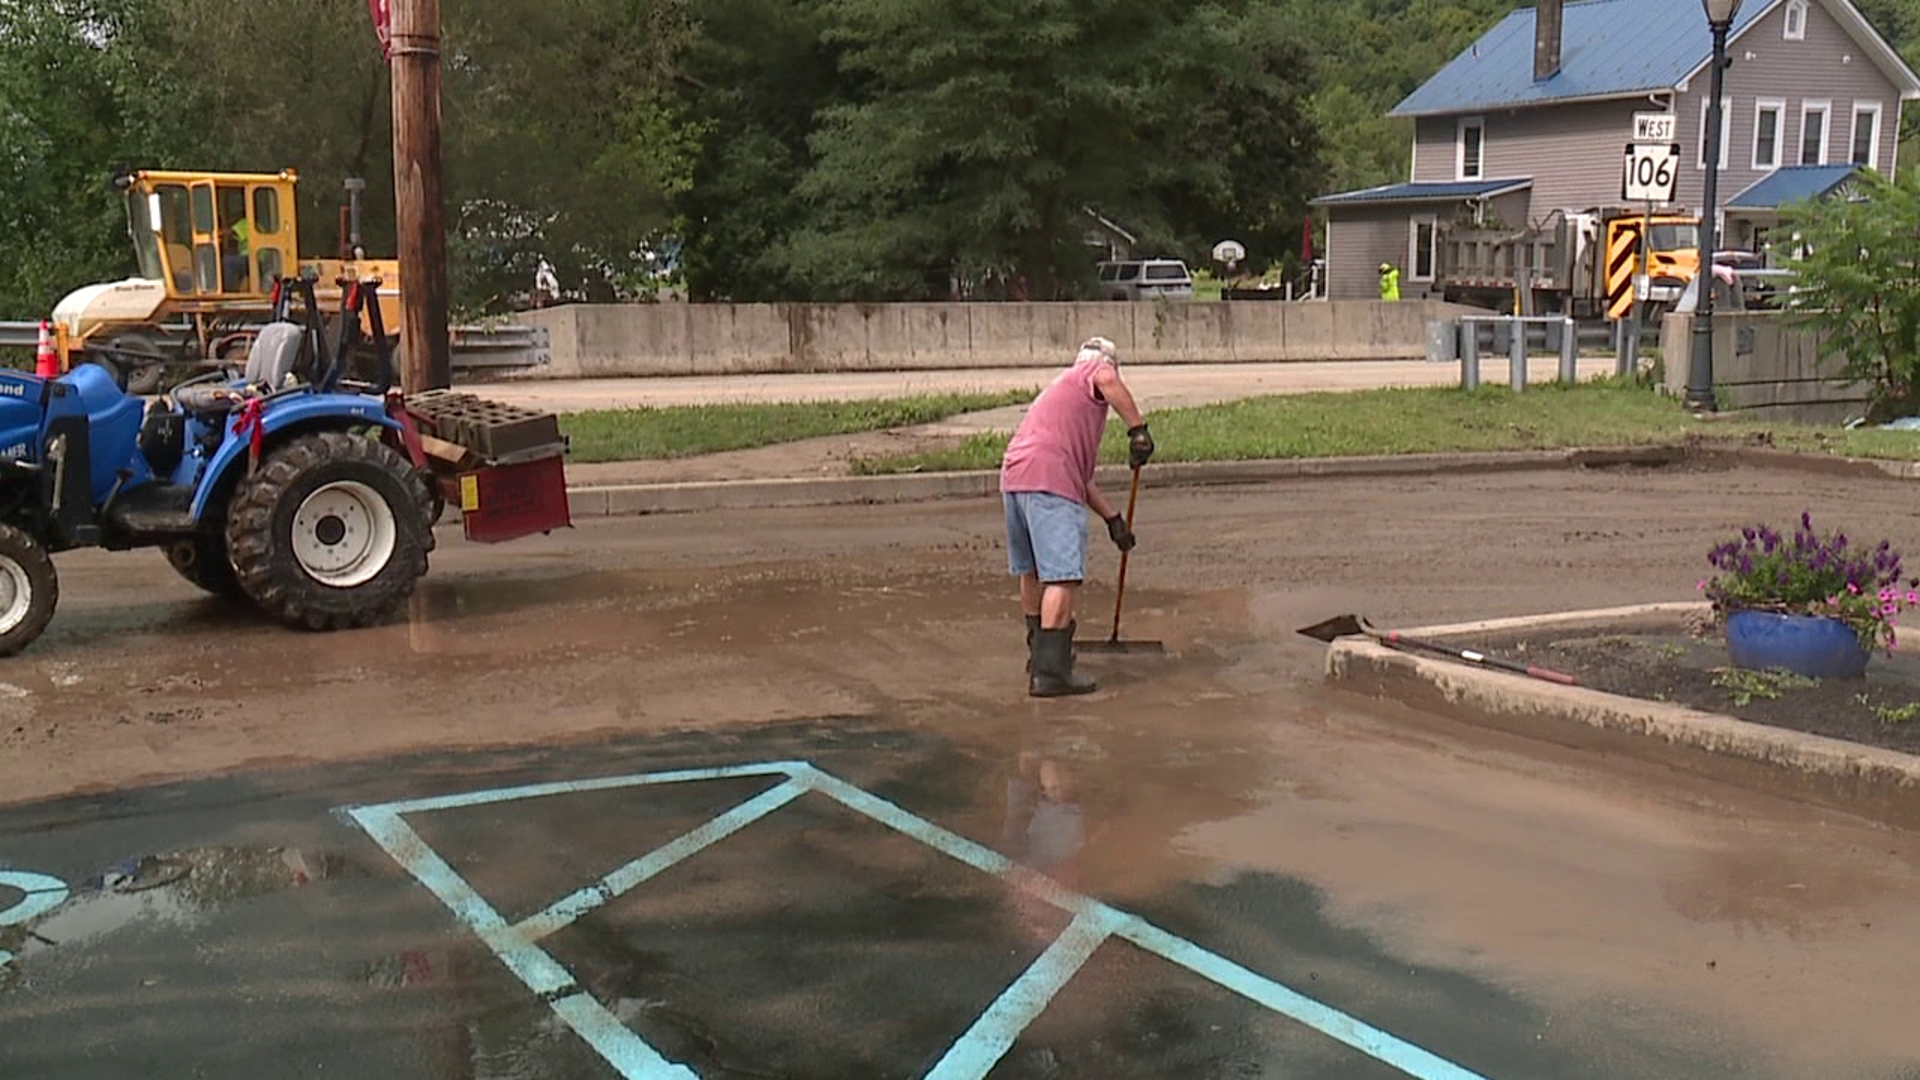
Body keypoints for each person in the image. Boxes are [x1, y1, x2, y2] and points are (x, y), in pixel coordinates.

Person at [1000, 336, 1154, 697]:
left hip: (1017, 475)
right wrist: (1138, 431)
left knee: (1033, 571)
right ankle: (1051, 673)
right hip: (1048, 478)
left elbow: (1079, 478)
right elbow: (1106, 379)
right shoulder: (1093, 372)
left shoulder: (1061, 394)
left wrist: (1112, 519)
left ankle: (1039, 656)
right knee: (1062, 576)